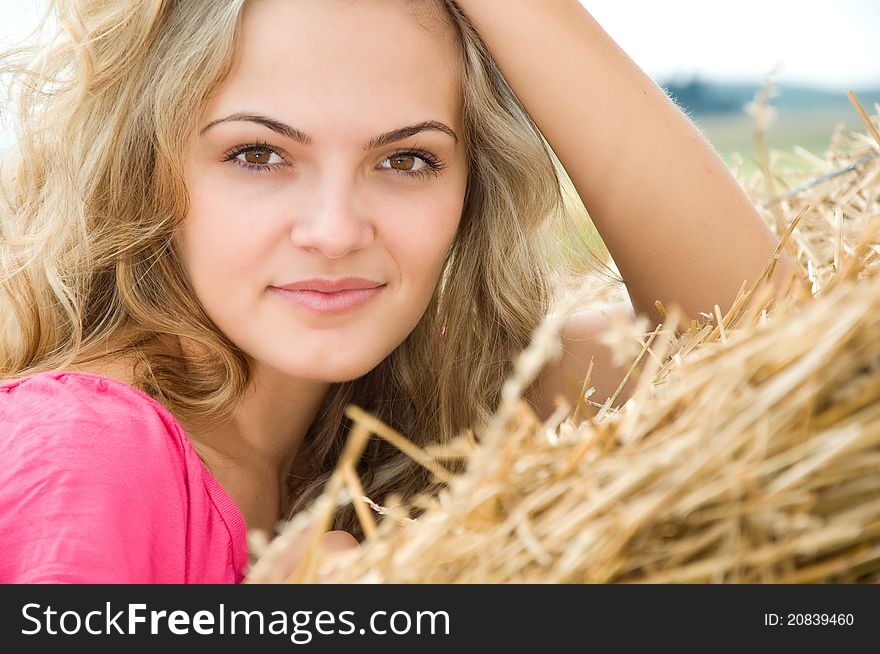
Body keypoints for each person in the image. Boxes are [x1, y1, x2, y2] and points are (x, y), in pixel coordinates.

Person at [0, 0, 795, 583]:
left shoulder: (424, 404)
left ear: (469, 193)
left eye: (406, 160)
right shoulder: (86, 454)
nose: (337, 230)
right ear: (148, 171)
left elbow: (768, 348)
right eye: (258, 154)